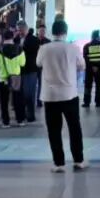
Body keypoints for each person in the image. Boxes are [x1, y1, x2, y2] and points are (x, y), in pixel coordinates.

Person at [36, 19, 86, 172]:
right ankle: (78, 160)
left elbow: (38, 63)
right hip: (69, 93)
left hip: (50, 95)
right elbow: (82, 66)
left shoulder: (44, 48)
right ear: (65, 32)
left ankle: (59, 163)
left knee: (54, 130)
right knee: (74, 128)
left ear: (52, 32)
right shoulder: (73, 48)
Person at [0, 30, 26, 128]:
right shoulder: (20, 49)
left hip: (3, 79)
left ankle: (6, 122)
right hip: (16, 78)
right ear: (13, 37)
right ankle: (20, 120)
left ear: (3, 38)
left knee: (4, 102)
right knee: (18, 100)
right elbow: (23, 63)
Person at [20, 21, 40, 123]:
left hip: (31, 69)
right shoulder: (17, 39)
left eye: (21, 29)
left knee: (30, 93)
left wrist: (22, 49)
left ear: (26, 29)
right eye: (19, 30)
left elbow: (33, 52)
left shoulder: (34, 40)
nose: (20, 32)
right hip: (20, 70)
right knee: (22, 93)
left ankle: (31, 115)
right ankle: (23, 114)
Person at [82, 30, 100, 108]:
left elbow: (85, 57)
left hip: (89, 69)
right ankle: (98, 103)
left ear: (92, 36)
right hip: (99, 69)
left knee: (88, 85)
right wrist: (97, 66)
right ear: (99, 37)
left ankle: (86, 102)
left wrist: (92, 66)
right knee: (98, 86)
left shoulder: (87, 46)